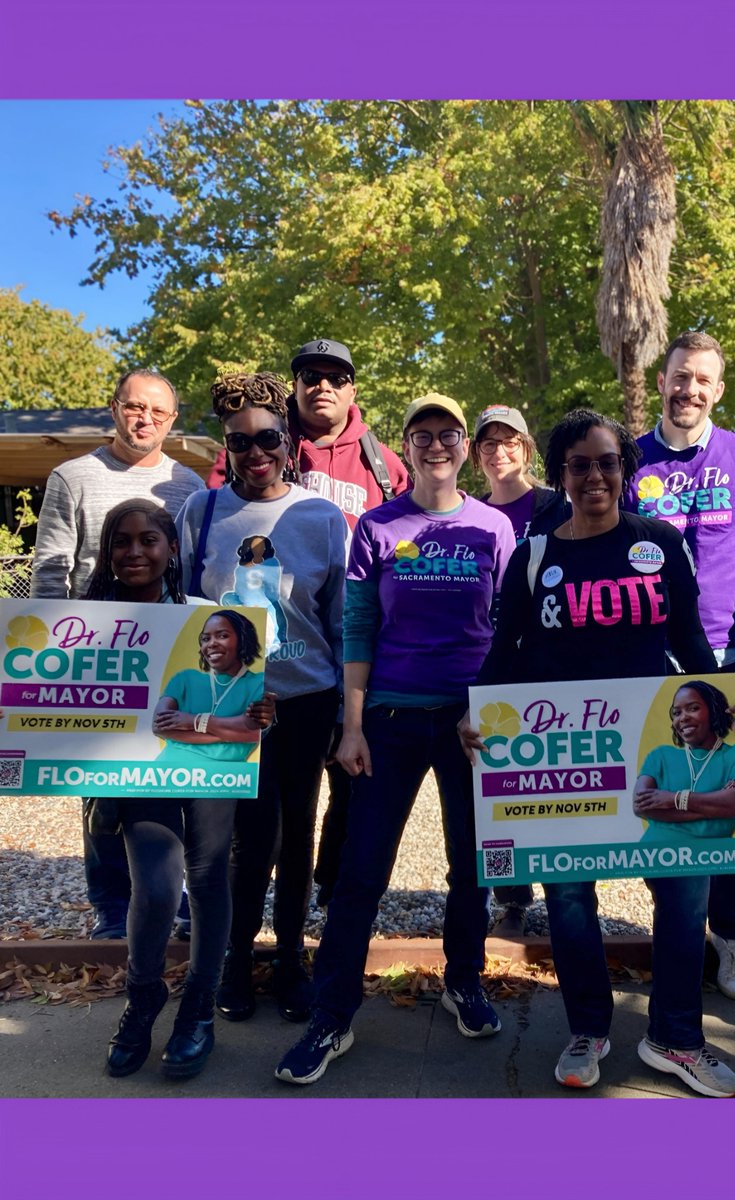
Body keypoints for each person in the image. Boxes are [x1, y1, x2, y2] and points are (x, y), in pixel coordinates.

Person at [465, 408, 735, 1097]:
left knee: (684, 893)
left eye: (608, 462)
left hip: (655, 738)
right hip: (566, 752)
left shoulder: (658, 542)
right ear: (560, 473)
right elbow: (504, 654)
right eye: (580, 464)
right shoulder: (535, 555)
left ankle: (677, 1037)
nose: (595, 475)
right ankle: (587, 1026)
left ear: (627, 469)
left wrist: (721, 700)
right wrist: (476, 719)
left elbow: (692, 643)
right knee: (568, 897)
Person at [275, 393, 514, 1087]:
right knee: (361, 872)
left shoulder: (494, 528)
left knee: (472, 866)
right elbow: (358, 630)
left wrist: (493, 710)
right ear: (404, 448)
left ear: (465, 445)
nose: (435, 444)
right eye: (421, 435)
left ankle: (463, 979)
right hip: (390, 720)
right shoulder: (378, 527)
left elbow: (505, 632)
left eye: (447, 433)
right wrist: (350, 725)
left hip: (471, 722)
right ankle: (332, 1013)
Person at [207, 339, 409, 912]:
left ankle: (328, 897)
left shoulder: (379, 459)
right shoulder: (259, 440)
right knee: (251, 817)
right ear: (293, 387)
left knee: (340, 786)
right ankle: (234, 931)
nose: (322, 385)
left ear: (353, 389)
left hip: (335, 654)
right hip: (246, 673)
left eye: (336, 376)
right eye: (310, 375)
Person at [177, 372, 348, 1026]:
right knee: (238, 843)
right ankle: (235, 958)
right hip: (229, 705)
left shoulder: (321, 517)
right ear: (226, 446)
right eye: (239, 442)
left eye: (267, 438)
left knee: (296, 835)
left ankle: (290, 961)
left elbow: (339, 619)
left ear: (289, 440)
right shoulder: (203, 511)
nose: (255, 453)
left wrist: (340, 716)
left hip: (304, 700)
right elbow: (184, 609)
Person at [625, 331, 735, 1002]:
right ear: (660, 382)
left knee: (734, 806)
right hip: (647, 660)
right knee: (657, 799)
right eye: (678, 376)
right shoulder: (626, 460)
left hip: (728, 660)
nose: (688, 388)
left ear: (717, 390)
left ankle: (733, 936)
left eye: (702, 380)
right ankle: (678, 928)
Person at [85, 500, 273, 1080]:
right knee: (159, 888)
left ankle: (198, 1008)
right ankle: (143, 998)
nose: (135, 552)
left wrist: (261, 713)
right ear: (109, 551)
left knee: (211, 878)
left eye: (149, 540)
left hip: (215, 771)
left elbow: (243, 710)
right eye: (122, 541)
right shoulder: (85, 620)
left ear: (172, 550)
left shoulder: (201, 617)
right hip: (141, 773)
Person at [32, 369, 205, 941]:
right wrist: (44, 657)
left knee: (170, 775)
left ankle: (172, 898)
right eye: (134, 408)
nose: (144, 420)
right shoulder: (72, 476)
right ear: (114, 408)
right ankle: (110, 905)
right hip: (93, 648)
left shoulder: (190, 485)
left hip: (170, 645)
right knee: (101, 783)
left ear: (172, 420)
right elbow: (52, 567)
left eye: (158, 412)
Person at [469, 402, 570, 934]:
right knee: (498, 783)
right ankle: (511, 897)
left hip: (550, 656)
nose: (499, 451)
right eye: (488, 443)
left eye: (510, 442)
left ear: (526, 449)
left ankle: (564, 891)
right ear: (476, 453)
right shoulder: (470, 511)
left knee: (550, 778)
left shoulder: (556, 505)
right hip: (490, 656)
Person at [154, 610, 268, 766]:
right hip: (167, 773)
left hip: (226, 780)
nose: (212, 643)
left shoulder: (258, 683)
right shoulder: (185, 679)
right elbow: (158, 726)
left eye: (222, 636)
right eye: (205, 639)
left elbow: (252, 731)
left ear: (242, 639)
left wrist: (192, 721)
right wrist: (229, 734)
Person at [635, 681, 735, 844]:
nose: (683, 717)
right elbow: (640, 805)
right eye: (676, 713)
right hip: (655, 859)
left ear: (713, 711)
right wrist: (717, 806)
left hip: (715, 859)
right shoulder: (660, 756)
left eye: (693, 708)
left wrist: (674, 799)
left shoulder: (734, 754)